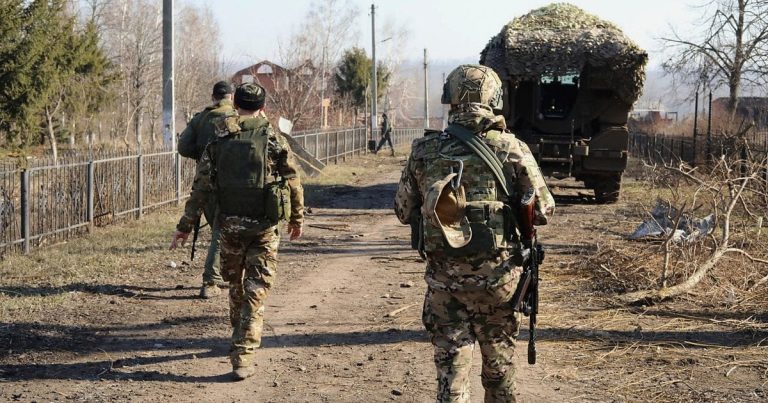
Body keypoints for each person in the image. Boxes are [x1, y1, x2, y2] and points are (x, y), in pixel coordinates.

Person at [394, 64, 555, 402]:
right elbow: (543, 210)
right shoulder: (512, 148)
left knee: (451, 378)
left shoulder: (425, 151)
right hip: (499, 284)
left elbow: (403, 210)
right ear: (494, 100)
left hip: (445, 286)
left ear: (450, 100)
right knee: (499, 376)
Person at [170, 83, 305, 381]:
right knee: (256, 290)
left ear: (236, 105)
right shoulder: (273, 138)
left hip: (229, 225)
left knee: (236, 285)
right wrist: (296, 218)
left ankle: (239, 336)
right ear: (263, 108)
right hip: (264, 227)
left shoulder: (219, 137)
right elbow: (293, 180)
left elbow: (202, 186)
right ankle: (243, 351)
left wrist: (185, 226)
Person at [177, 81, 235, 299]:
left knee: (219, 229)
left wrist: (202, 156)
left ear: (213, 97)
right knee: (221, 231)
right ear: (231, 97)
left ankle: (221, 274)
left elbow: (183, 147)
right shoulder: (236, 117)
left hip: (204, 183)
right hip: (230, 182)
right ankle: (210, 280)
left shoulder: (200, 118)